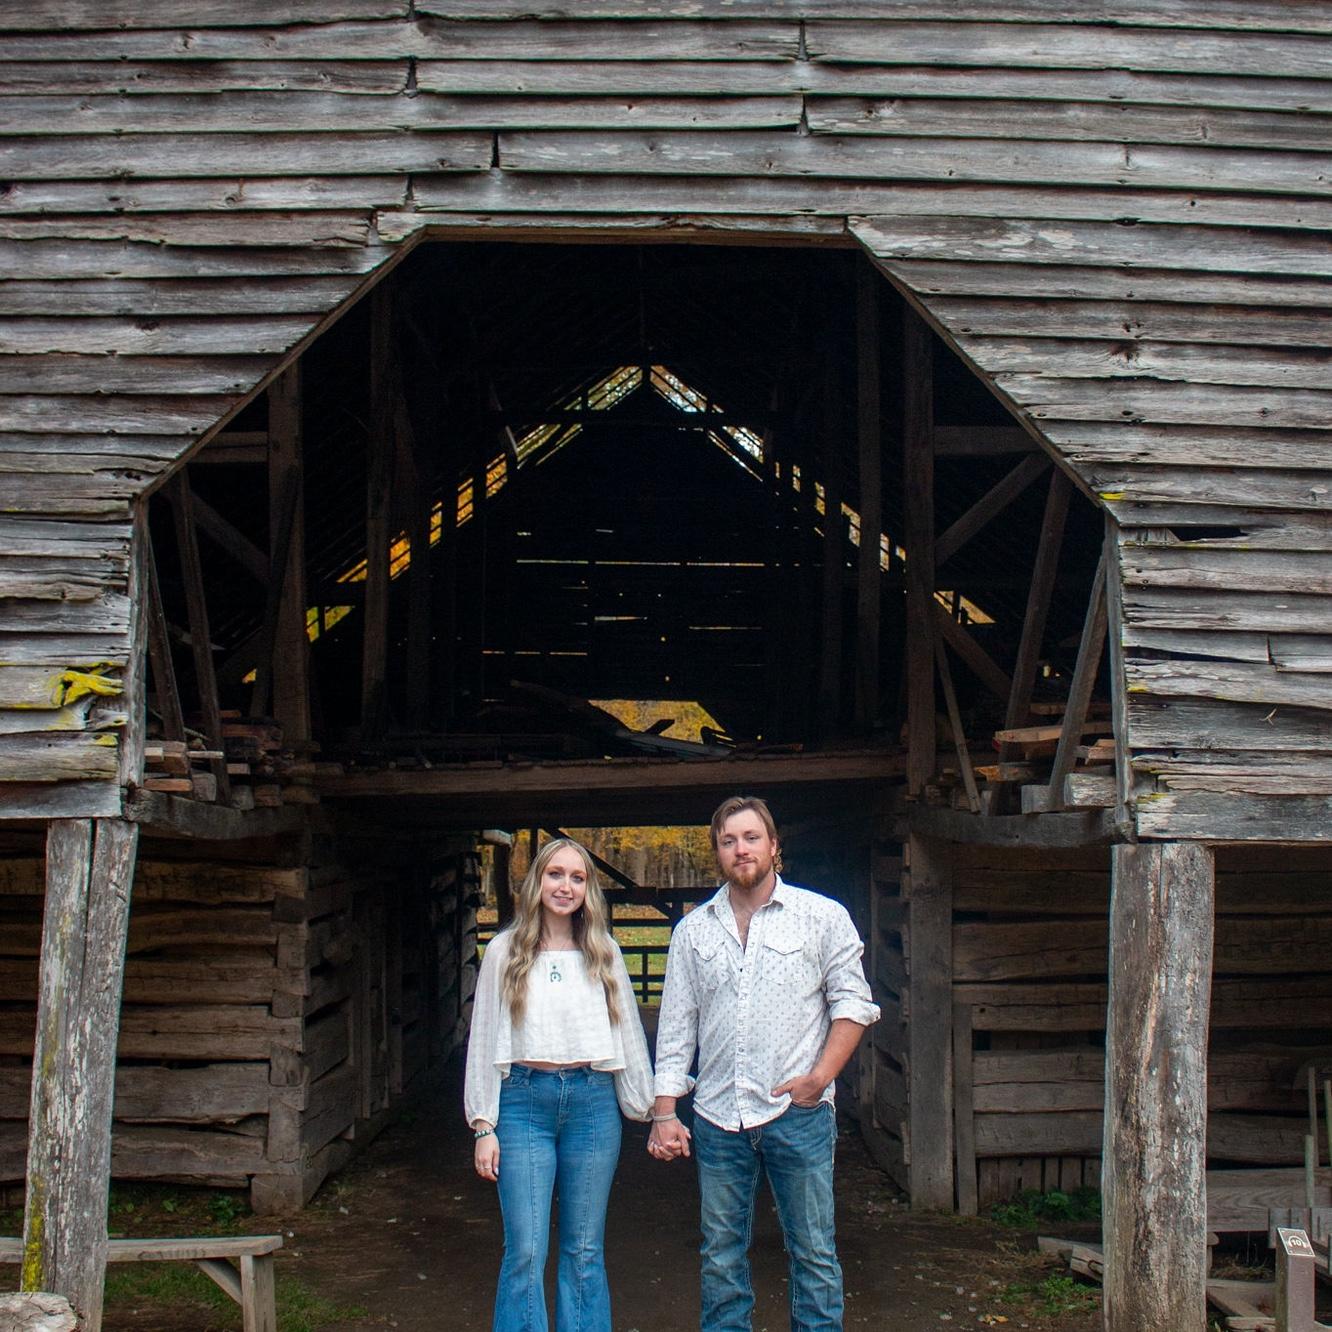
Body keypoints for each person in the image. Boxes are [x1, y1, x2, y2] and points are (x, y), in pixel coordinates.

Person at [648, 795, 879, 1332]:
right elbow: (677, 1026)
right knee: (720, 1255)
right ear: (717, 852)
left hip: (797, 1114)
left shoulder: (821, 917)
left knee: (813, 1251)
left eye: (751, 838)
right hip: (717, 1117)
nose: (741, 849)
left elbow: (853, 1004)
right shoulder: (693, 931)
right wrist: (664, 1111)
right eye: (728, 841)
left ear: (774, 846)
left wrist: (819, 1079)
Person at [465, 836, 653, 1332]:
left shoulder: (603, 951)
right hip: (523, 1103)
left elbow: (628, 1033)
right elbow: (483, 1035)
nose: (565, 886)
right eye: (555, 874)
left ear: (588, 889)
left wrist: (652, 1108)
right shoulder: (505, 951)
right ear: (537, 881)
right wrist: (484, 1124)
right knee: (526, 1248)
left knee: (585, 1247)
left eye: (577, 877)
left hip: (592, 1104)